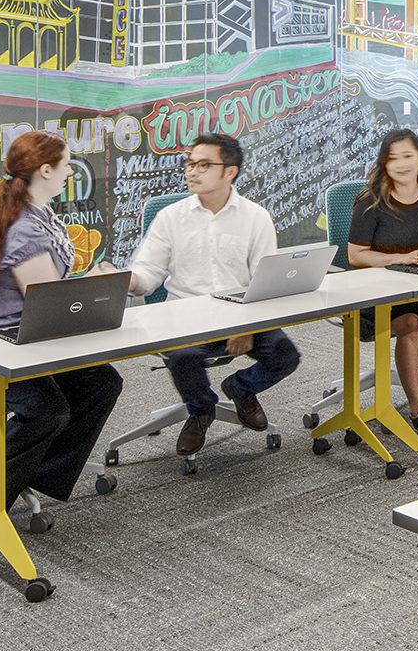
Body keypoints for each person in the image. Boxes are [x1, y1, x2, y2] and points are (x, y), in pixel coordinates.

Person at [0, 130, 123, 542]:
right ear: (45, 170)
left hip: (28, 339)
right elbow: (48, 303)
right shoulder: (25, 229)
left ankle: (19, 472)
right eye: (66, 165)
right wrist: (96, 284)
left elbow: (49, 299)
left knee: (101, 382)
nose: (70, 172)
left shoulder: (37, 212)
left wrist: (91, 282)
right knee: (48, 412)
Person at [124, 131, 301, 455]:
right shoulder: (171, 217)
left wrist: (246, 326)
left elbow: (263, 283)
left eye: (203, 165)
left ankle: (240, 388)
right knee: (183, 357)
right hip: (186, 315)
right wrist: (126, 281)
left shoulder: (255, 217)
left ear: (230, 172)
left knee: (285, 355)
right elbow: (148, 273)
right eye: (190, 164)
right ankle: (201, 409)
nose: (192, 172)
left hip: (242, 311)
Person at [348, 129, 418, 434]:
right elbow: (355, 255)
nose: (401, 164)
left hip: (417, 281)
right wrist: (400, 258)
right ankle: (417, 408)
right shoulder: (370, 202)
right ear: (384, 163)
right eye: (393, 158)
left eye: (408, 156)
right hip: (377, 287)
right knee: (409, 322)